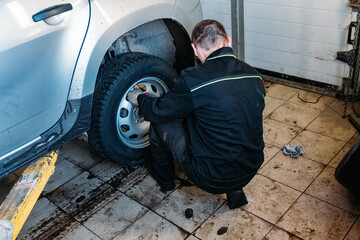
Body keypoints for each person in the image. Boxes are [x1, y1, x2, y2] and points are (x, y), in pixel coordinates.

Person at [127, 19, 265, 209]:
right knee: (230, 122)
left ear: (194, 48)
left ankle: (165, 182)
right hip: (250, 169)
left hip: (210, 177)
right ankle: (235, 190)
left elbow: (159, 111)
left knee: (160, 123)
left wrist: (141, 99)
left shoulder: (193, 79)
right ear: (229, 41)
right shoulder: (254, 75)